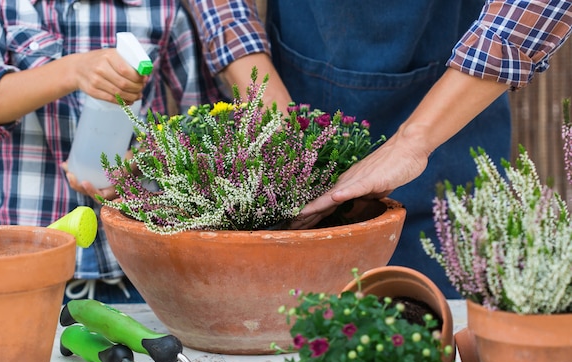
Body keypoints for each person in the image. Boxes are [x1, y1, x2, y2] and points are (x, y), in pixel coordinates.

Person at [186, 0, 572, 297]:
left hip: (453, 124)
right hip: (298, 91)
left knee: (437, 328)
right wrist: (276, 118)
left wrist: (412, 142)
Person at [0, 0, 221, 302]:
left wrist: (144, 159)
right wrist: (73, 71)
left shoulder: (163, 7)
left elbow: (205, 121)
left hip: (142, 265)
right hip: (29, 260)